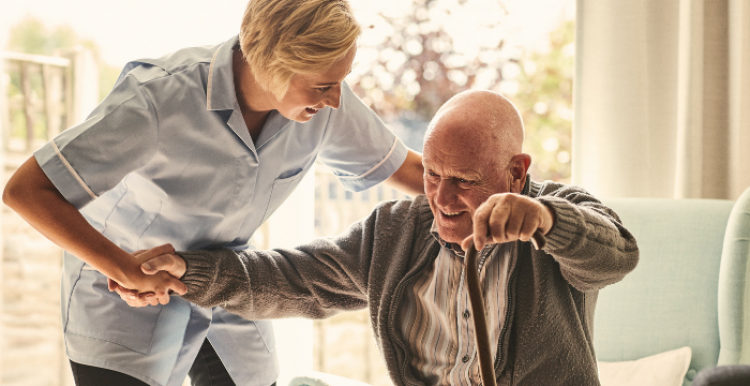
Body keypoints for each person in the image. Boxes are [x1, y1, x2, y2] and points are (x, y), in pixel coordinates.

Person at [1, 0, 425, 385]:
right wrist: (121, 267)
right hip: (128, 295)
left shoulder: (322, 98)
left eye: (340, 81)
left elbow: (413, 170)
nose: (335, 99)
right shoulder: (159, 98)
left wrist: (489, 202)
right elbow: (27, 190)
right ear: (274, 62)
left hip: (228, 286)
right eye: (322, 86)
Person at [128, 90, 640, 386]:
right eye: (433, 174)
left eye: (465, 181)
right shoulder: (395, 232)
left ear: (516, 169)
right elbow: (292, 278)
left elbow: (616, 256)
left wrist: (546, 219)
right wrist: (188, 272)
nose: (442, 197)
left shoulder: (557, 216)